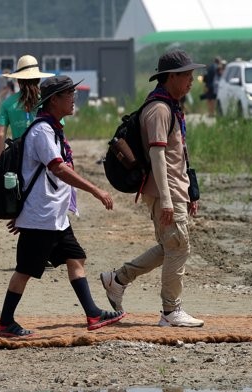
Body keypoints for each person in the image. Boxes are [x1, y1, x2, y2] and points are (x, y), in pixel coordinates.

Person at [0, 76, 124, 338]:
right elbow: (58, 168)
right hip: (41, 216)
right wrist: (95, 190)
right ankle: (5, 323)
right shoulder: (42, 131)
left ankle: (93, 314)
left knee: (76, 257)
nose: (74, 98)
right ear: (54, 100)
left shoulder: (53, 128)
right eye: (69, 94)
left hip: (54, 215)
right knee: (24, 271)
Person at [100, 50, 206, 328]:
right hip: (165, 191)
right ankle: (171, 311)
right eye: (187, 75)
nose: (192, 81)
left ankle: (118, 279)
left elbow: (179, 154)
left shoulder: (170, 106)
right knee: (178, 248)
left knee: (170, 246)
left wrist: (190, 192)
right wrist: (169, 200)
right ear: (171, 77)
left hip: (173, 189)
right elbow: (158, 157)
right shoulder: (159, 109)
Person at [0, 54, 52, 159]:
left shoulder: (8, 103)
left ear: (18, 80)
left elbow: (0, 135)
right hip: (46, 156)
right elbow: (58, 129)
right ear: (38, 79)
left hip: (20, 158)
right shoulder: (48, 101)